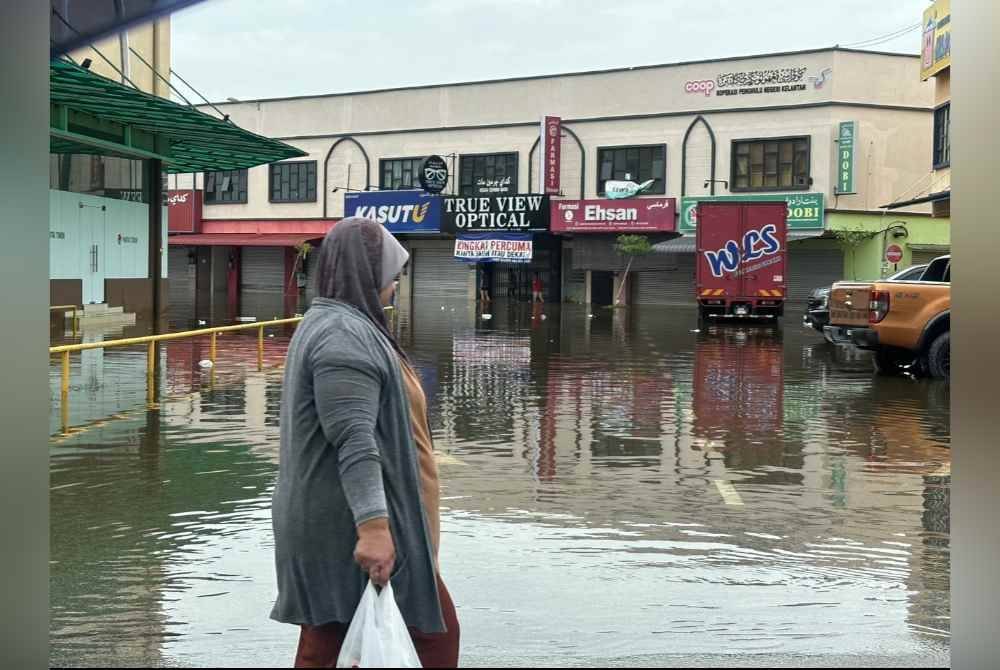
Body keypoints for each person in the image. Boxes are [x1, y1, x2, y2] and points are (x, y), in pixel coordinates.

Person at [270, 217, 459, 668]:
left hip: (356, 515)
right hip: (354, 520)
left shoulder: (347, 325)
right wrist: (374, 528)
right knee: (430, 638)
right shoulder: (342, 338)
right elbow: (353, 440)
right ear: (366, 271)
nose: (394, 284)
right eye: (390, 273)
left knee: (330, 640)